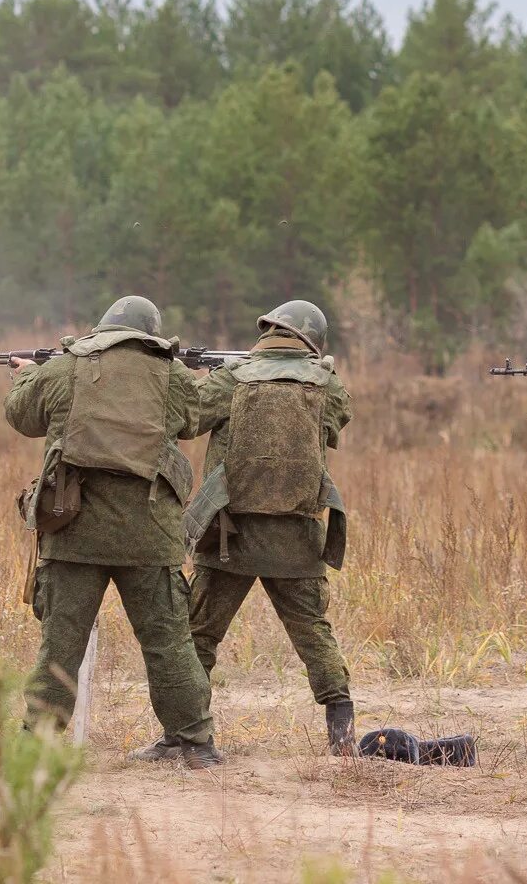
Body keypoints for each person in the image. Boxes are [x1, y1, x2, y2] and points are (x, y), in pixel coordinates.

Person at [5, 296, 221, 768]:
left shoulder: (66, 367)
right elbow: (197, 419)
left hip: (74, 526)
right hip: (150, 532)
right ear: (151, 334)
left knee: (61, 641)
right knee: (167, 640)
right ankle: (193, 743)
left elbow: (21, 416)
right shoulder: (172, 376)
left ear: (103, 328)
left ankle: (36, 745)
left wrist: (25, 374)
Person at [178, 300, 356, 756]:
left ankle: (186, 735)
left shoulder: (230, 379)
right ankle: (341, 732)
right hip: (297, 537)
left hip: (228, 535)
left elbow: (189, 418)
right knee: (313, 631)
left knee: (200, 636)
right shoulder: (327, 383)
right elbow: (336, 421)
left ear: (268, 331)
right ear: (311, 341)